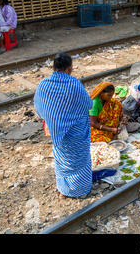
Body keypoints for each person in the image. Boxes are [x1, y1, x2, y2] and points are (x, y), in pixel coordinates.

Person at [34, 53, 94, 199]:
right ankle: (81, 190)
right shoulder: (74, 84)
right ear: (69, 68)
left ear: (54, 67)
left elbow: (39, 108)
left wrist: (55, 119)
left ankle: (63, 190)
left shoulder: (43, 84)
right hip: (76, 133)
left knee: (62, 160)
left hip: (57, 133)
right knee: (79, 160)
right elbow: (88, 104)